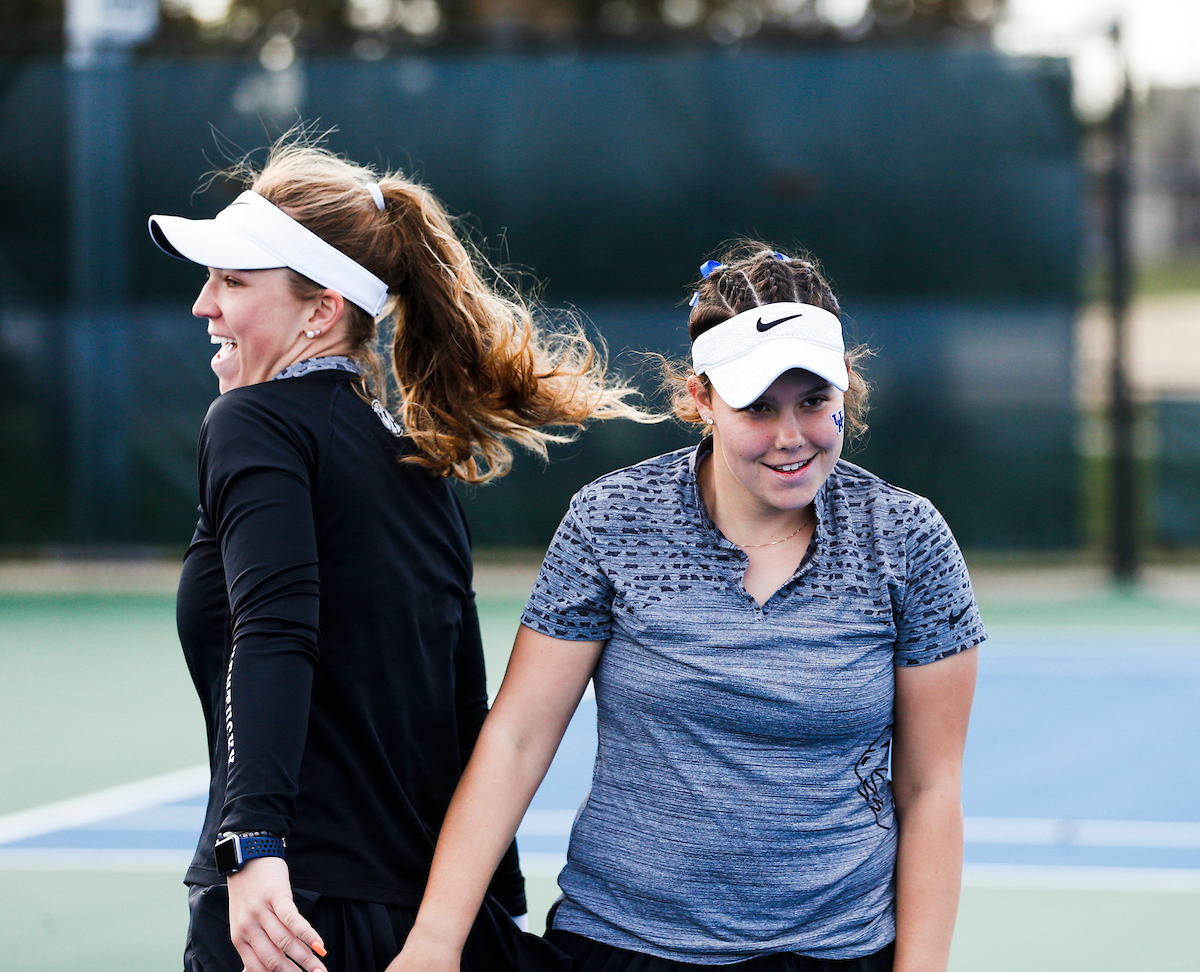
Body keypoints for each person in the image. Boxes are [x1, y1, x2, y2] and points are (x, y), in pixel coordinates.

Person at [388, 245, 984, 972]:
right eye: (758, 408)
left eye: (813, 402)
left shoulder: (908, 539)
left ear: (845, 387)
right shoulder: (610, 520)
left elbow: (929, 788)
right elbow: (516, 740)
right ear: (701, 399)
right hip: (621, 946)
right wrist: (435, 941)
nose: (791, 436)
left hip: (834, 953)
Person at [149, 135, 643, 972]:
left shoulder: (251, 422)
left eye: (233, 281)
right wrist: (487, 911)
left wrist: (254, 842)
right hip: (424, 925)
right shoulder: (422, 464)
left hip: (290, 922)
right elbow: (462, 701)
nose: (205, 304)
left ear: (321, 311)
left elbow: (271, 631)